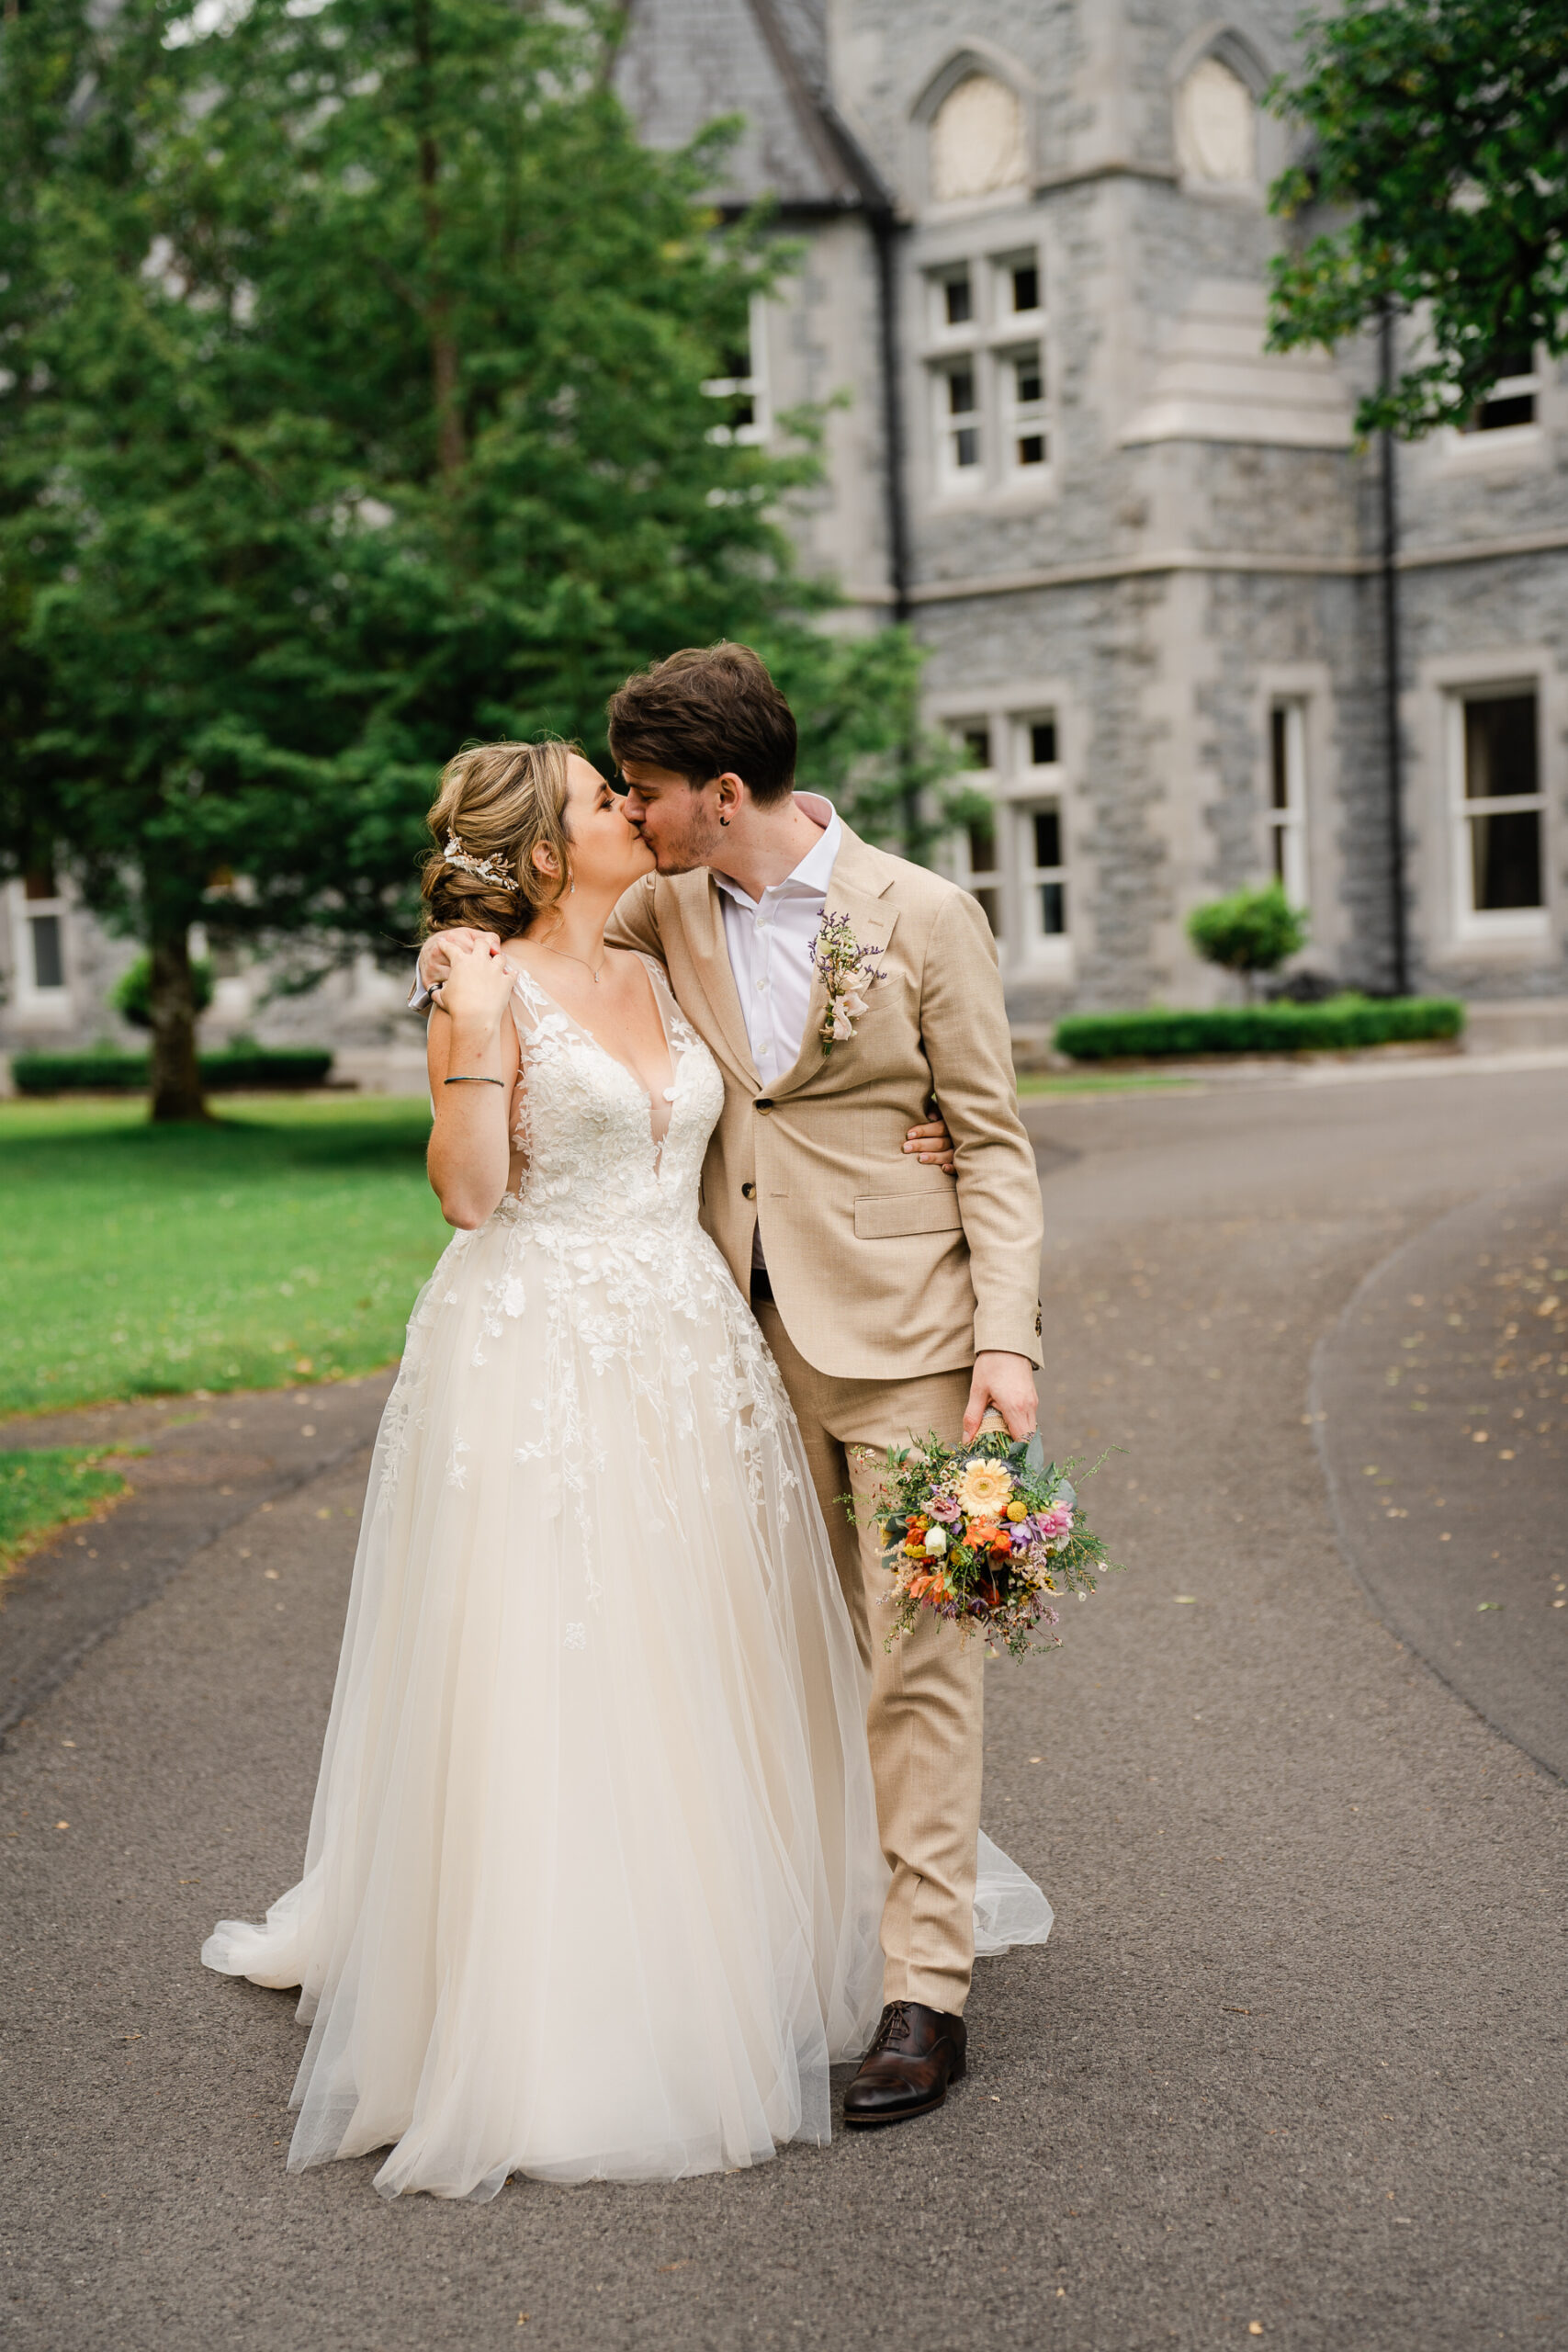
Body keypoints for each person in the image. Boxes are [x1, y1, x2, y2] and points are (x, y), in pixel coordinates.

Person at [415, 643, 1050, 2134]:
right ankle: (753, 1940)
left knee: (921, 1656)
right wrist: (451, 956)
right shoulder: (656, 906)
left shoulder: (926, 916)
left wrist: (1007, 1343)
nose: (630, 816)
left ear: (721, 793)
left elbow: (994, 1137)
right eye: (614, 800)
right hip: (715, 1344)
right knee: (768, 1657)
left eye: (644, 794)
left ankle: (924, 1994)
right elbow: (524, 933)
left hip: (910, 1340)